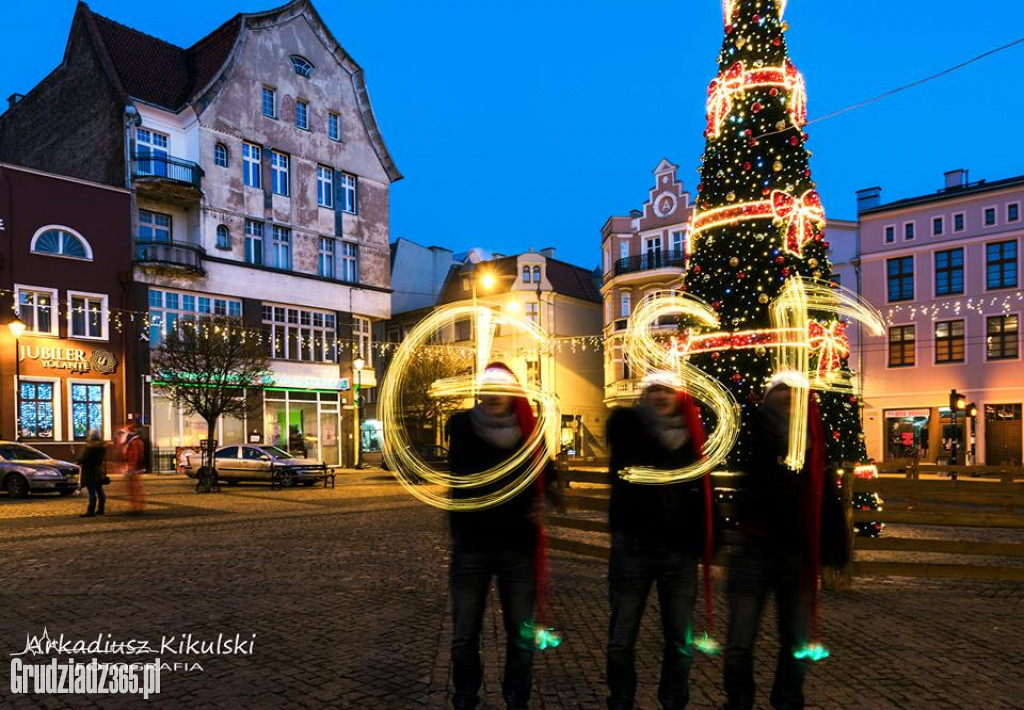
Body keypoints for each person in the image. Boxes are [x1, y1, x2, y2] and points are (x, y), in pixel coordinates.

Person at [446, 362, 557, 710]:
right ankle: (465, 695)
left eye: (502, 388)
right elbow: (462, 477)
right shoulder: (462, 425)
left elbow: (550, 475)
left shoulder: (529, 430)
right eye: (488, 387)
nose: (494, 394)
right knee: (464, 634)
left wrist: (546, 501)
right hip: (471, 546)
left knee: (520, 635)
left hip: (516, 548)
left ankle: (516, 697)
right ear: (480, 392)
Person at [605, 371, 713, 710]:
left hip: (678, 553)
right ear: (644, 396)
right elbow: (622, 468)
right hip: (633, 548)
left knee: (679, 639)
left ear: (678, 395)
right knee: (622, 638)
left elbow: (702, 491)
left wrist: (703, 538)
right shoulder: (628, 428)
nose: (661, 396)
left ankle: (674, 700)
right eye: (654, 390)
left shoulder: (692, 435)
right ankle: (621, 699)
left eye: (667, 390)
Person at [722, 373, 829, 710]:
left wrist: (831, 545)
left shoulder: (813, 437)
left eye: (794, 390)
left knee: (795, 639)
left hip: (794, 552)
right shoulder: (753, 430)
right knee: (739, 641)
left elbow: (824, 492)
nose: (787, 394)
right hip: (754, 546)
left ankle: (787, 700)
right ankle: (739, 701)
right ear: (767, 397)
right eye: (780, 389)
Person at [77, 430, 107, 518]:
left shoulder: (88, 447)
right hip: (99, 469)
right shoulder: (102, 446)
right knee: (99, 490)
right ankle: (101, 509)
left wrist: (78, 459)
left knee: (92, 491)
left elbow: (83, 458)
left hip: (89, 470)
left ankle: (91, 511)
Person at [122, 422, 146, 514]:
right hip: (135, 467)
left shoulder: (135, 441)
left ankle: (137, 507)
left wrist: (131, 467)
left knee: (135, 488)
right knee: (134, 488)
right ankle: (136, 507)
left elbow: (135, 455)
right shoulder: (134, 441)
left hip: (134, 469)